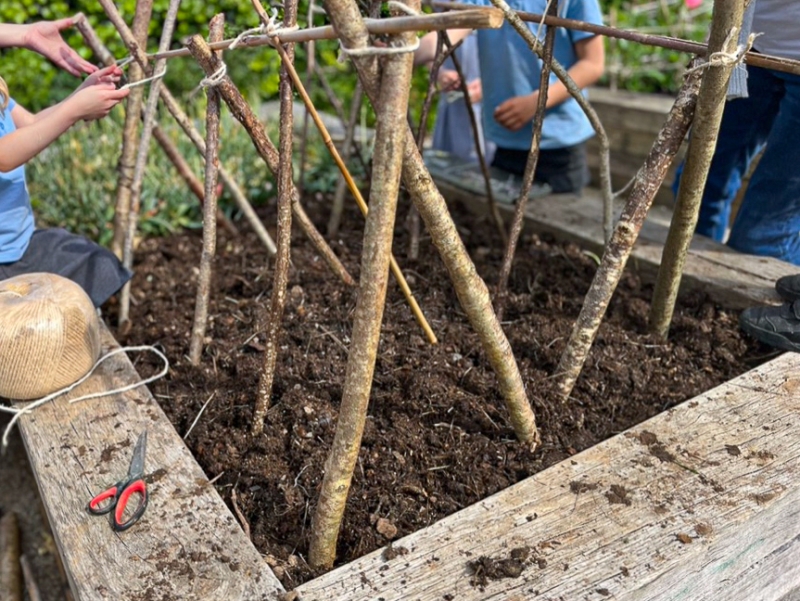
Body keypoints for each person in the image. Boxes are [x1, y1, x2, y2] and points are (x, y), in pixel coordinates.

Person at [0, 18, 131, 308]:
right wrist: (74, 111)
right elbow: (4, 156)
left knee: (98, 264)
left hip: (20, 245)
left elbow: (31, 124)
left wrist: (81, 95)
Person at [415, 0, 605, 195]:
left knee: (556, 218)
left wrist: (537, 102)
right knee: (504, 218)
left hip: (557, 143)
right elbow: (443, 37)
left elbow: (592, 64)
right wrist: (397, 50)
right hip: (504, 139)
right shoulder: (483, 1)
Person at [674, 0, 800, 265]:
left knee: (763, 237)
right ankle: (699, 283)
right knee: (695, 189)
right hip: (748, 46)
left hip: (757, 46)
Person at [429, 32, 495, 165]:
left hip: (486, 108)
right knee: (446, 162)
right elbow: (430, 50)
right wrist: (440, 72)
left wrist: (489, 83)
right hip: (452, 104)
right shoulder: (443, 12)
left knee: (486, 161)